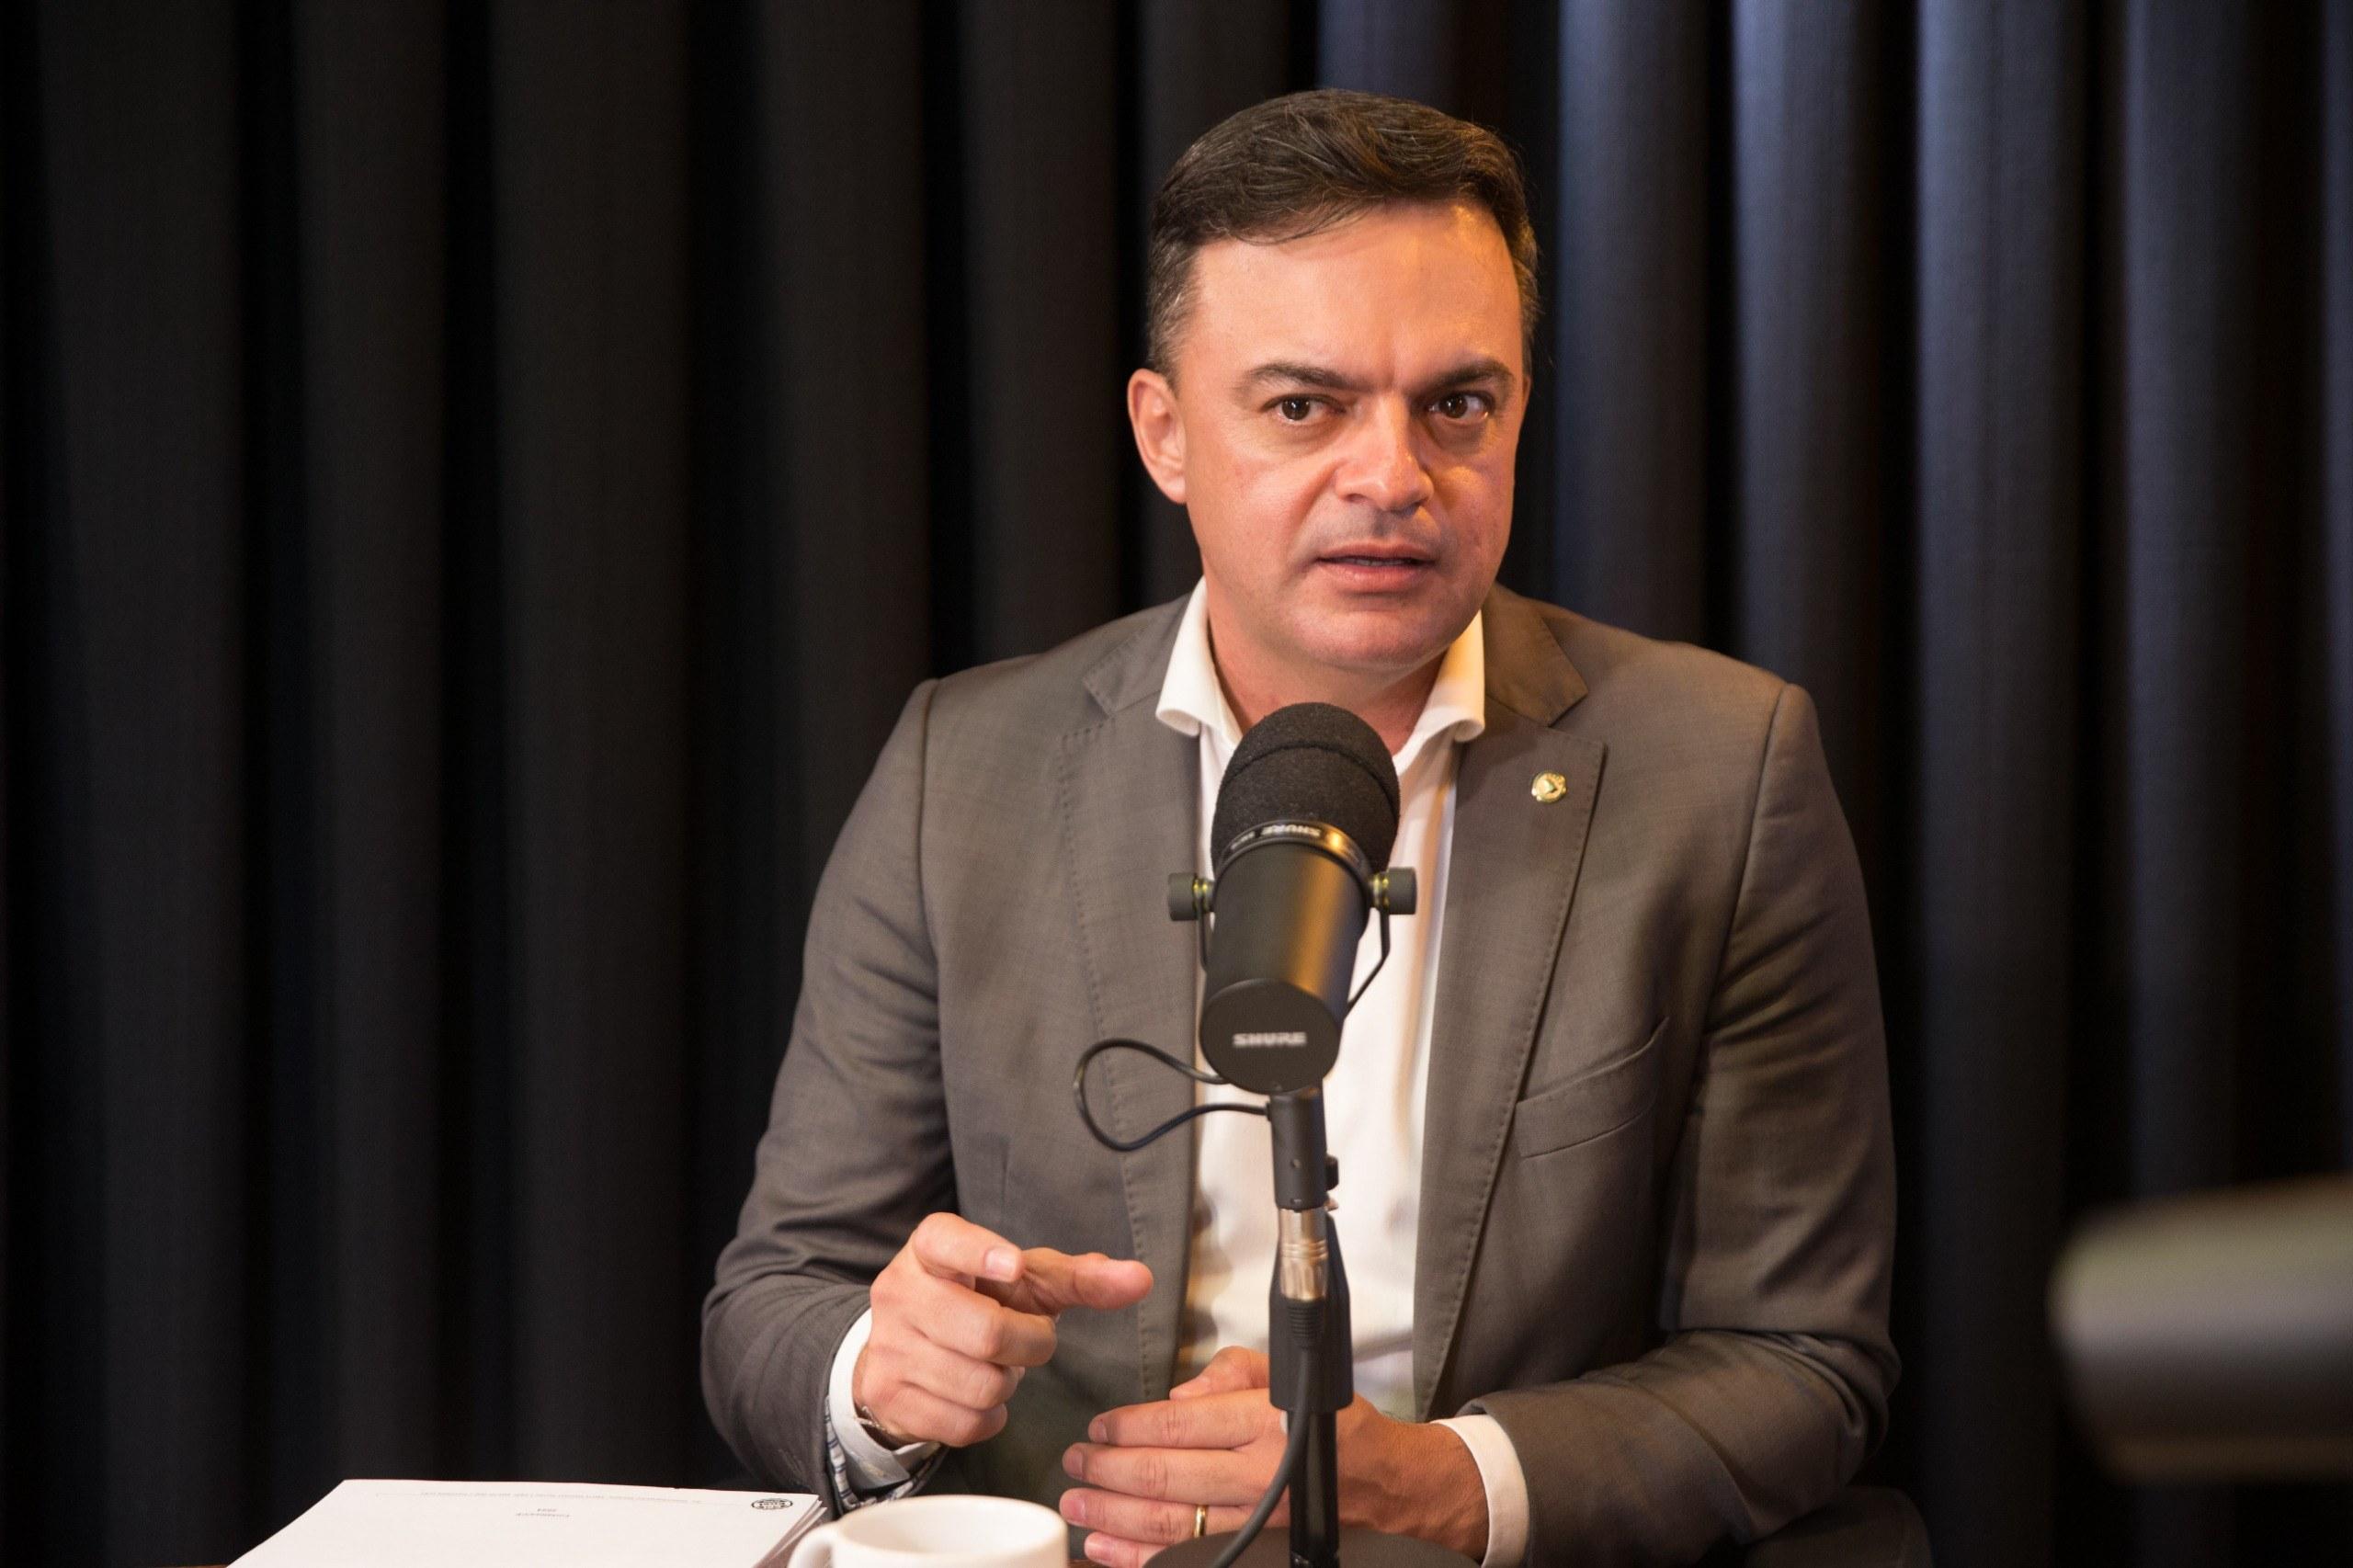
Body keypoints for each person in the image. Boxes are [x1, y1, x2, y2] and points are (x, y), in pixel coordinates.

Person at [703, 89, 1896, 1568]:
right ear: (1165, 434)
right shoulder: (966, 765)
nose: (1392, 476)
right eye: (1303, 407)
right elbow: (777, 1301)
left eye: (1457, 404)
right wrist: (881, 1378)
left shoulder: (1721, 770)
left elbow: (1803, 1358)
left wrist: (1442, 1479)